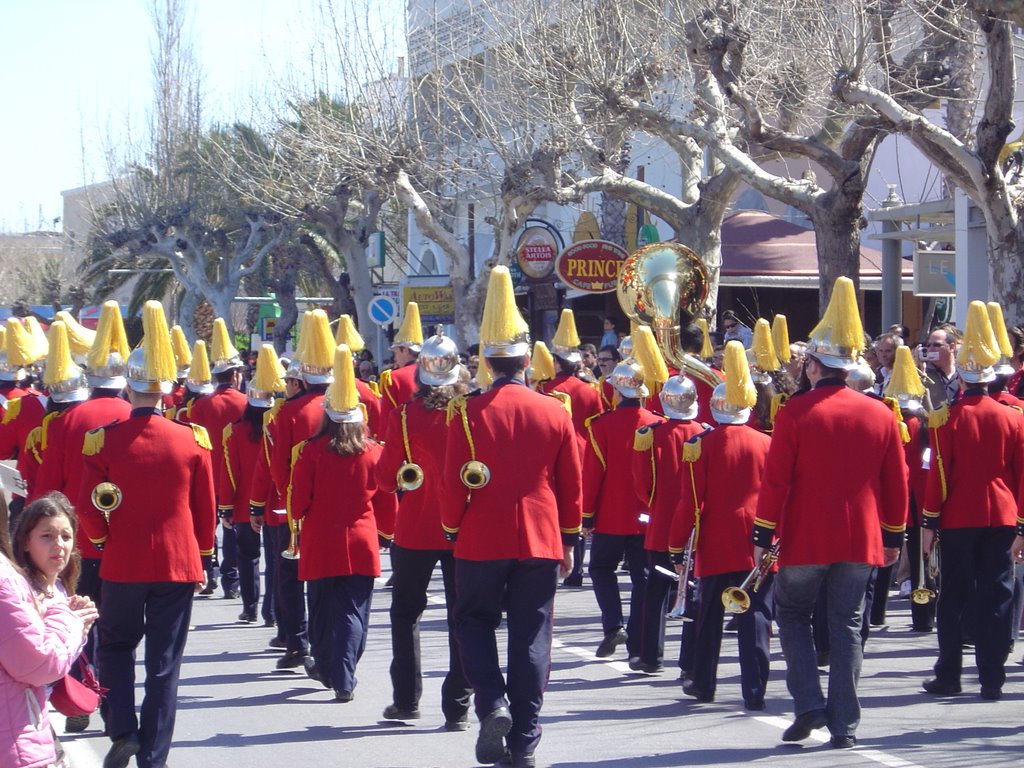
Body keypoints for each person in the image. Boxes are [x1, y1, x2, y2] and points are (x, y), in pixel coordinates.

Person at [752, 277, 907, 749]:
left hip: (805, 536)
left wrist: (762, 533)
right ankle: (845, 725)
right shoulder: (881, 413)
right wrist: (895, 537)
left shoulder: (795, 412)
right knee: (847, 627)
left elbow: (776, 480)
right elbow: (895, 483)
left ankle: (809, 704)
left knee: (794, 616)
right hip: (861, 537)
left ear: (816, 365)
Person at [441, 266, 581, 768]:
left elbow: (454, 480)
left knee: (472, 621)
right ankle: (524, 738)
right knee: (531, 633)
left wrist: (452, 528)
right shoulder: (556, 410)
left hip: (481, 536)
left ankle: (492, 703)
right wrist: (568, 539)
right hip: (541, 536)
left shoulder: (465, 412)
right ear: (527, 359)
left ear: (487, 361)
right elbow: (572, 484)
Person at [76, 301, 216, 768]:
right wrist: (204, 554)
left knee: (115, 646)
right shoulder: (193, 440)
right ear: (167, 389)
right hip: (178, 564)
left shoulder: (103, 440)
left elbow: (90, 507)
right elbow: (205, 509)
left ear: (129, 384)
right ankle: (153, 756)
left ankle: (121, 730)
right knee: (164, 664)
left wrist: (98, 542)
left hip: (122, 563)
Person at [920, 301, 1024, 701]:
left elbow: (938, 477)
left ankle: (949, 673)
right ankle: (992, 679)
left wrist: (928, 524)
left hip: (959, 516)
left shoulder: (945, 418)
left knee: (955, 597)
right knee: (997, 596)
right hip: (1001, 513)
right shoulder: (1014, 417)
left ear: (962, 375)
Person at [375, 328, 472, 728]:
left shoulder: (404, 416)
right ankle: (459, 706)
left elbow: (383, 479)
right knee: (461, 616)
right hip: (462, 527)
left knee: (406, 614)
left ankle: (406, 700)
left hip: (415, 527)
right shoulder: (471, 411)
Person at [290, 344, 396, 702]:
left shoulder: (311, 450)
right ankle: (345, 672)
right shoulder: (374, 451)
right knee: (354, 613)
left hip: (321, 538)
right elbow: (386, 497)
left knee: (320, 610)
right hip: (362, 538)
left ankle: (327, 664)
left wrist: (296, 520)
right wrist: (386, 533)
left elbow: (299, 501)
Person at [672, 341, 773, 709]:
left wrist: (676, 544)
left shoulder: (700, 445)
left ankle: (703, 681)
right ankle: (755, 688)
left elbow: (690, 502)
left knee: (708, 615)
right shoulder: (766, 443)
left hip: (716, 538)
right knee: (755, 615)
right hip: (757, 539)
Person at [583, 327, 664, 661]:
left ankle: (613, 623)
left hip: (611, 517)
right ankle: (639, 645)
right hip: (647, 518)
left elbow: (593, 475)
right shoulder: (658, 422)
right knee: (643, 578)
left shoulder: (601, 425)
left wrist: (587, 516)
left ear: (615, 390)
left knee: (601, 569)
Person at [1, 492, 95, 768]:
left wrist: (78, 624)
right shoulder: (17, 582)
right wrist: (72, 622)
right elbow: (38, 661)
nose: (59, 546)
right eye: (47, 536)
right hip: (18, 723)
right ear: (25, 542)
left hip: (30, 714)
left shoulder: (61, 585)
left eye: (66, 537)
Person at [631, 372, 704, 674]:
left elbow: (642, 483)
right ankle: (690, 661)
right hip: (696, 523)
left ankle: (651, 656)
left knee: (657, 591)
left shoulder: (651, 434)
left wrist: (655, 503)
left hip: (663, 520)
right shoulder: (705, 431)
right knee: (694, 591)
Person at [218, 345, 285, 624]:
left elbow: (230, 473)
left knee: (248, 558)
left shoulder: (234, 431)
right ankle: (271, 610)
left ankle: (250, 606)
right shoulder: (279, 426)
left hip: (245, 504)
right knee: (274, 560)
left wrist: (226, 507)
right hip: (274, 501)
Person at [187, 318, 248, 601]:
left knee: (205, 523)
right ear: (235, 375)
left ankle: (208, 571)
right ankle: (232, 579)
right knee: (234, 527)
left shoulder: (199, 405)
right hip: (236, 473)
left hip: (206, 472)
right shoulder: (246, 403)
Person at [379, 302, 423, 420]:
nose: (395, 358)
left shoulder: (394, 377)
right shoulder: (435, 373)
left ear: (406, 350)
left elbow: (387, 418)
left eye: (396, 352)